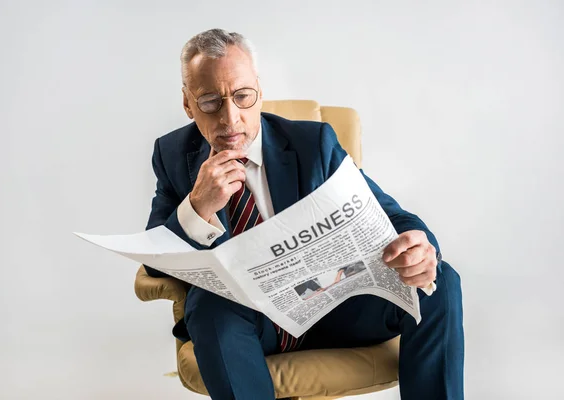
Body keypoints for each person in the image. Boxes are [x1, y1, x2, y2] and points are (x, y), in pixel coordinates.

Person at [144, 28, 464, 400]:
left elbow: (392, 216)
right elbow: (155, 261)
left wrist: (421, 248)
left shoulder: (314, 144)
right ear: (188, 104)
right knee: (209, 303)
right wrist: (197, 207)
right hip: (246, 326)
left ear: (259, 91)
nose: (230, 118)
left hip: (334, 309)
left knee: (439, 280)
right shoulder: (172, 155)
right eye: (211, 101)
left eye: (243, 96)